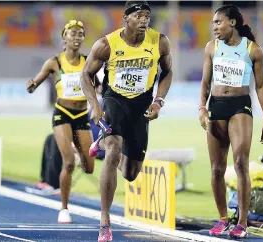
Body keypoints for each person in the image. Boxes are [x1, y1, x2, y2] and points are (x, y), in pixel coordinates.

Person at [81, 1, 173, 241]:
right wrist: (95, 106)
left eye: (147, 16)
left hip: (141, 104)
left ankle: (103, 141)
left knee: (131, 174)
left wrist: (158, 101)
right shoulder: (106, 44)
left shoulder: (159, 41)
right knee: (113, 151)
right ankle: (105, 221)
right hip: (114, 100)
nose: (144, 20)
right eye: (139, 15)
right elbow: (86, 74)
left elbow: (167, 72)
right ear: (126, 18)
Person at [198, 4, 263, 239]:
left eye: (218, 22)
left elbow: (260, 86)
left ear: (232, 22)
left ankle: (242, 222)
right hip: (216, 107)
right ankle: (222, 219)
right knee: (217, 168)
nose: (215, 28)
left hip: (240, 106)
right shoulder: (212, 47)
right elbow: (205, 83)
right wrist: (202, 108)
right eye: (213, 24)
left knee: (240, 162)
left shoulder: (253, 50)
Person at [26, 20, 98, 224]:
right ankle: (64, 209)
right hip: (62, 114)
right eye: (73, 33)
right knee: (68, 162)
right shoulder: (54, 63)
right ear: (64, 38)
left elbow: (98, 86)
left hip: (81, 115)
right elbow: (36, 82)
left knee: (90, 167)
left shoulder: (88, 61)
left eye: (81, 34)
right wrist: (31, 85)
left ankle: (78, 151)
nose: (77, 37)